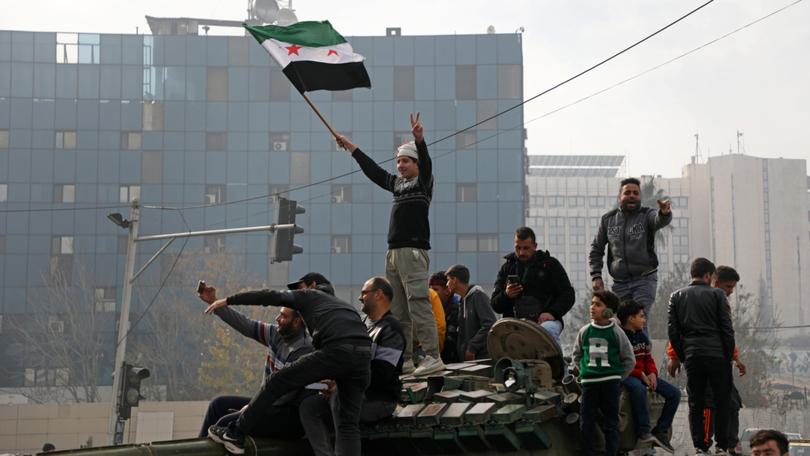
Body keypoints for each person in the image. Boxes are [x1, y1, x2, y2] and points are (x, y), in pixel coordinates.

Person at [203, 273, 372, 456]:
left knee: (276, 380)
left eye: (297, 288)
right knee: (348, 425)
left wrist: (228, 300)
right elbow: (247, 325)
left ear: (311, 285)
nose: (294, 295)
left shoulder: (309, 296)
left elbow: (268, 296)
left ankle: (236, 433)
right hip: (362, 358)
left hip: (337, 351)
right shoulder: (343, 307)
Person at [336, 113, 443, 376]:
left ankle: (431, 356)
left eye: (405, 161)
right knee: (398, 310)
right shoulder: (397, 185)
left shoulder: (424, 181)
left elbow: (427, 163)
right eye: (398, 161)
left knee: (418, 301)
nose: (400, 166)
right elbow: (373, 170)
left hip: (413, 251)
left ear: (416, 163)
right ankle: (404, 359)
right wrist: (352, 148)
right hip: (393, 252)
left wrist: (420, 140)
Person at [299, 277, 405, 456]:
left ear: (379, 295)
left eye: (364, 293)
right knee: (310, 406)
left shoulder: (391, 329)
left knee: (341, 400)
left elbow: (382, 374)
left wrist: (340, 384)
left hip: (378, 399)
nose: (360, 298)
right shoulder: (361, 324)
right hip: (352, 394)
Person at [197, 283, 313, 439]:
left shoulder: (303, 350)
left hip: (286, 415)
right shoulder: (276, 334)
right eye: (279, 314)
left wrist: (253, 408)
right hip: (265, 404)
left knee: (225, 423)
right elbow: (245, 325)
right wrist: (214, 303)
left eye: (284, 316)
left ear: (297, 322)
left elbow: (284, 396)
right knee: (217, 406)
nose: (277, 319)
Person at [667, 265, 746, 454]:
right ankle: (711, 444)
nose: (730, 292)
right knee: (709, 403)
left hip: (698, 357)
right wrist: (675, 356)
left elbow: (675, 330)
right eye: (728, 287)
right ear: (713, 279)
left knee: (729, 402)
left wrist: (735, 358)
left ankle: (723, 443)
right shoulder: (715, 296)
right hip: (715, 357)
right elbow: (726, 331)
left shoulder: (679, 296)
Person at [589, 177, 672, 333]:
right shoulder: (608, 220)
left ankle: (642, 357)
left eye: (636, 193)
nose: (632, 195)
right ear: (620, 197)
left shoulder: (647, 215)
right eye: (627, 192)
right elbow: (596, 249)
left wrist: (664, 212)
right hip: (619, 283)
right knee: (620, 323)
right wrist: (596, 276)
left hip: (644, 279)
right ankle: (627, 356)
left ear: (640, 197)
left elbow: (658, 220)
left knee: (637, 319)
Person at [572, 290, 635, 456]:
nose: (592, 307)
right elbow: (577, 356)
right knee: (586, 423)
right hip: (589, 386)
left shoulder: (616, 332)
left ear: (609, 311)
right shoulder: (584, 331)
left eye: (598, 305)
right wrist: (585, 372)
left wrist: (617, 378)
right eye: (592, 303)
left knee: (611, 423)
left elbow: (629, 359)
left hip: (610, 385)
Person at [491, 226, 575, 346]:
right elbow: (495, 304)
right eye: (518, 248)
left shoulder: (550, 265)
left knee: (548, 331)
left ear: (535, 246)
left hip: (545, 321)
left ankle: (557, 364)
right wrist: (506, 295)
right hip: (514, 324)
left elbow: (568, 294)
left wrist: (552, 313)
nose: (521, 252)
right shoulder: (507, 268)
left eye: (526, 248)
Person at [617, 299, 679, 453]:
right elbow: (622, 363)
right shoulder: (619, 337)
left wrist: (652, 373)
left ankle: (661, 430)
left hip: (645, 374)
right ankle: (644, 432)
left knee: (674, 394)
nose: (644, 320)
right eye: (641, 316)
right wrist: (641, 375)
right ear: (631, 319)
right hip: (628, 375)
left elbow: (648, 358)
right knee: (639, 390)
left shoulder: (642, 336)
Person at [445, 264, 497, 362]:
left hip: (481, 360)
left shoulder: (478, 296)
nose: (447, 284)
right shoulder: (462, 300)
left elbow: (489, 324)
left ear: (455, 280)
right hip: (469, 362)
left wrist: (472, 348)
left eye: (448, 280)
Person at [429, 271, 461, 364]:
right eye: (430, 290)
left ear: (447, 290)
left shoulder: (457, 309)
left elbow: (451, 342)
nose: (432, 294)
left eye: (435, 289)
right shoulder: (431, 309)